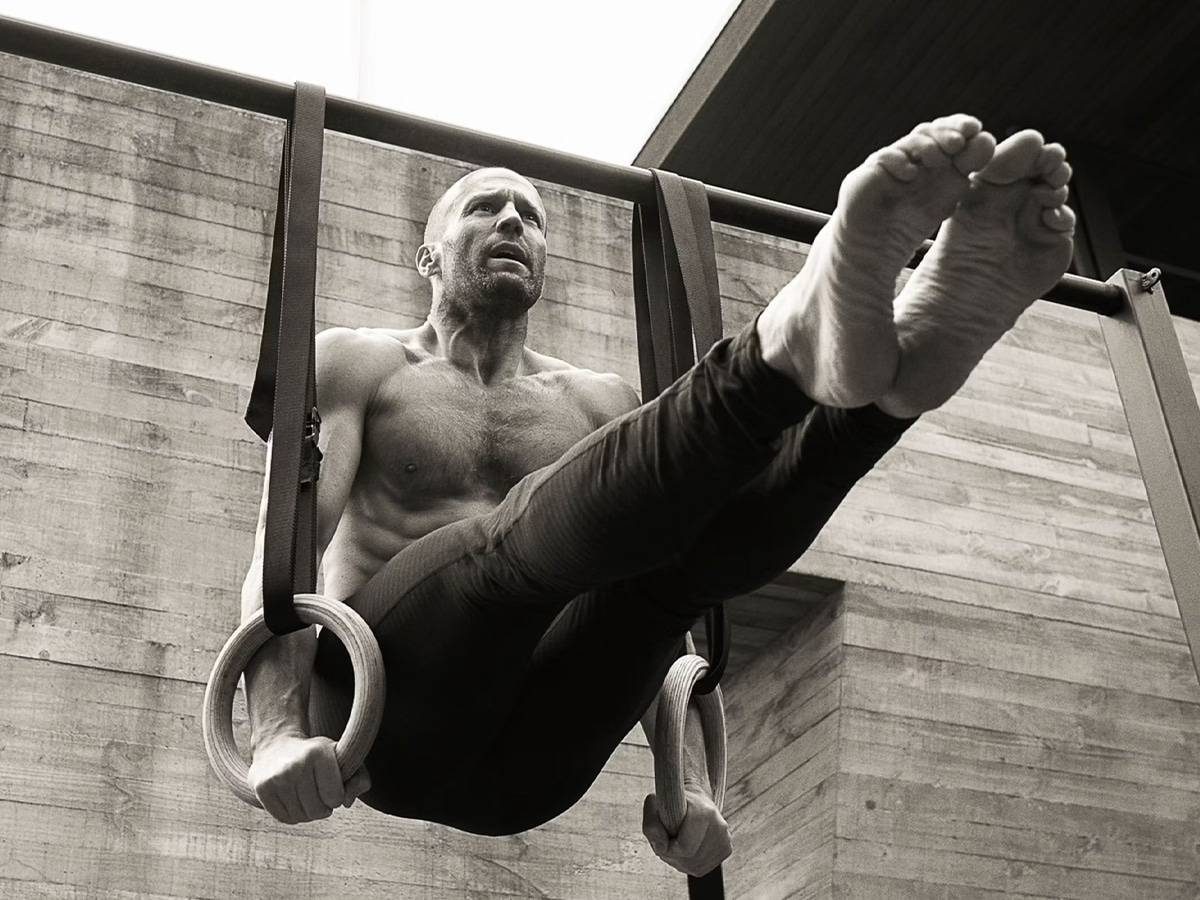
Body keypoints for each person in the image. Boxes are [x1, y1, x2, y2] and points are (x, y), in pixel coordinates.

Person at [239, 114, 1075, 877]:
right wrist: (276, 731)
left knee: (663, 578)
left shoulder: (596, 403)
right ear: (427, 255)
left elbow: (669, 637)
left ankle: (882, 403)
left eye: (531, 218)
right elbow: (284, 556)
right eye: (485, 208)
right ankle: (777, 356)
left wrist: (695, 785)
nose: (512, 224)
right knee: (509, 558)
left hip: (543, 763)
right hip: (387, 717)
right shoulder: (358, 362)